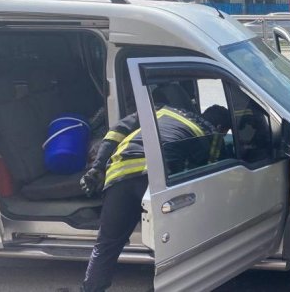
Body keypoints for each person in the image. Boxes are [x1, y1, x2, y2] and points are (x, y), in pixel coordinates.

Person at [79, 104, 231, 292]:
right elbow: (212, 173)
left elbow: (117, 131)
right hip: (156, 180)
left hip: (120, 173)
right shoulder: (212, 135)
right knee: (170, 244)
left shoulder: (163, 111)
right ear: (220, 128)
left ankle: (90, 289)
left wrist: (98, 166)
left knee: (106, 244)